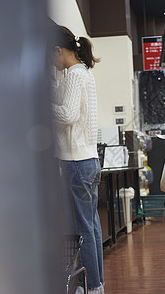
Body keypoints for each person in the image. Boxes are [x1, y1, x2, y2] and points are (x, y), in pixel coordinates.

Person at [50, 25, 104, 294]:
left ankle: (91, 286)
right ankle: (96, 285)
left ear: (59, 51)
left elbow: (67, 114)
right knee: (92, 226)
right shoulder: (82, 73)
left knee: (81, 229)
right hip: (89, 161)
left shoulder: (74, 74)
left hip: (75, 162)